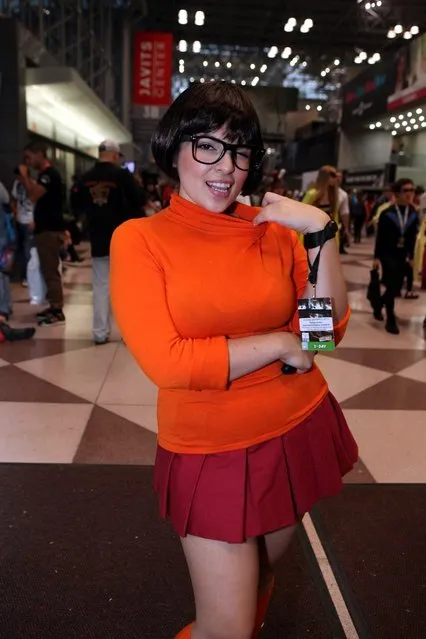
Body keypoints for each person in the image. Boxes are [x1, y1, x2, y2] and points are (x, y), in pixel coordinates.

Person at [110, 81, 357, 639]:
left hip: (295, 428)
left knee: (261, 582)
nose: (227, 167)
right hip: (209, 450)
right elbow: (169, 362)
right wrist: (277, 343)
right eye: (208, 146)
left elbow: (321, 333)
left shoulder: (274, 232)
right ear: (174, 149)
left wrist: (319, 235)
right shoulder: (141, 239)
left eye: (240, 150)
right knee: (227, 624)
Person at [79, 139, 145, 344]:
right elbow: (139, 200)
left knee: (100, 285)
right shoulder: (122, 175)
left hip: (97, 236)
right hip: (121, 238)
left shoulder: (85, 177)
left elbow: (78, 204)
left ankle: (99, 332)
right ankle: (128, 333)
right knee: (125, 285)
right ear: (116, 155)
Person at [21, 141, 65, 326]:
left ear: (40, 154)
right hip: (45, 229)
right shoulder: (44, 175)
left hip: (49, 231)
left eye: (29, 158)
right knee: (46, 270)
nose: (28, 162)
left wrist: (24, 177)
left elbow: (33, 195)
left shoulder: (49, 175)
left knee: (50, 270)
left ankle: (57, 310)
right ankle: (52, 305)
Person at [373, 179, 420, 334]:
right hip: (388, 253)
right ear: (398, 193)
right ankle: (390, 319)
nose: (410, 194)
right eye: (406, 190)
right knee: (392, 282)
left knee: (397, 285)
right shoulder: (388, 213)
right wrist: (376, 257)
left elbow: (412, 237)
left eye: (412, 190)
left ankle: (379, 301)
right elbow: (380, 237)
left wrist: (412, 256)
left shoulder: (413, 214)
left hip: (402, 255)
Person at [10, 166, 34, 286]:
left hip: (29, 220)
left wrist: (34, 220)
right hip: (20, 220)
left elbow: (36, 202)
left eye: (19, 176)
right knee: (19, 250)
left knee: (28, 250)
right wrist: (14, 211)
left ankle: (28, 277)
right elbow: (14, 199)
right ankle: (20, 274)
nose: (18, 179)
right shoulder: (17, 184)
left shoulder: (32, 184)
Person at [336, 171, 350, 254]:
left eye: (340, 177)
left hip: (334, 227)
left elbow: (344, 212)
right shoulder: (317, 192)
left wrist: (346, 228)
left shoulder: (343, 194)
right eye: (335, 176)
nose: (338, 178)